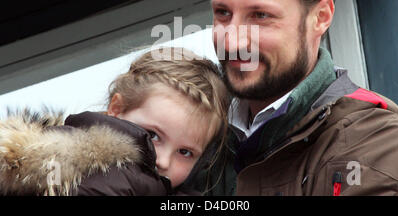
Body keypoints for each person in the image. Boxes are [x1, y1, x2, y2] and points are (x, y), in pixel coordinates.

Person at [192, 0, 398, 196]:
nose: (232, 41)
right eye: (223, 13)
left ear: (320, 17)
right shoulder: (187, 132)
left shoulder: (379, 147)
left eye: (260, 16)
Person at [0, 47, 231, 196]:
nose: (163, 161)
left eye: (185, 152)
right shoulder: (111, 179)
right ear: (116, 109)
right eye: (153, 135)